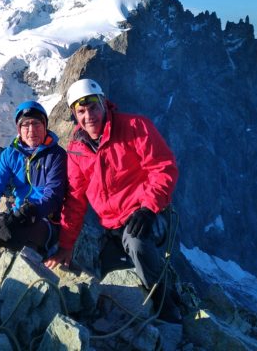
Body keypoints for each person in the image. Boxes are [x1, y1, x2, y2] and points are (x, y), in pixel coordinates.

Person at [44, 79, 182, 323]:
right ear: (75, 115)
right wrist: (66, 246)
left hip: (150, 214)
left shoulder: (135, 127)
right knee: (110, 276)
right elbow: (75, 200)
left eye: (93, 108)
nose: (89, 116)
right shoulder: (77, 150)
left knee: (137, 244)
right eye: (81, 111)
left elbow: (164, 169)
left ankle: (167, 308)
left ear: (104, 104)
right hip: (112, 226)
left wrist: (149, 209)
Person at [0, 101, 67, 257]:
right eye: (26, 125)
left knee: (6, 232)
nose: (31, 130)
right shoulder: (11, 154)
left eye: (37, 124)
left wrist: (19, 216)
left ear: (45, 126)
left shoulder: (56, 155)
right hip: (16, 215)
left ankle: (43, 250)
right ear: (19, 129)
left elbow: (53, 196)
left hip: (44, 219)